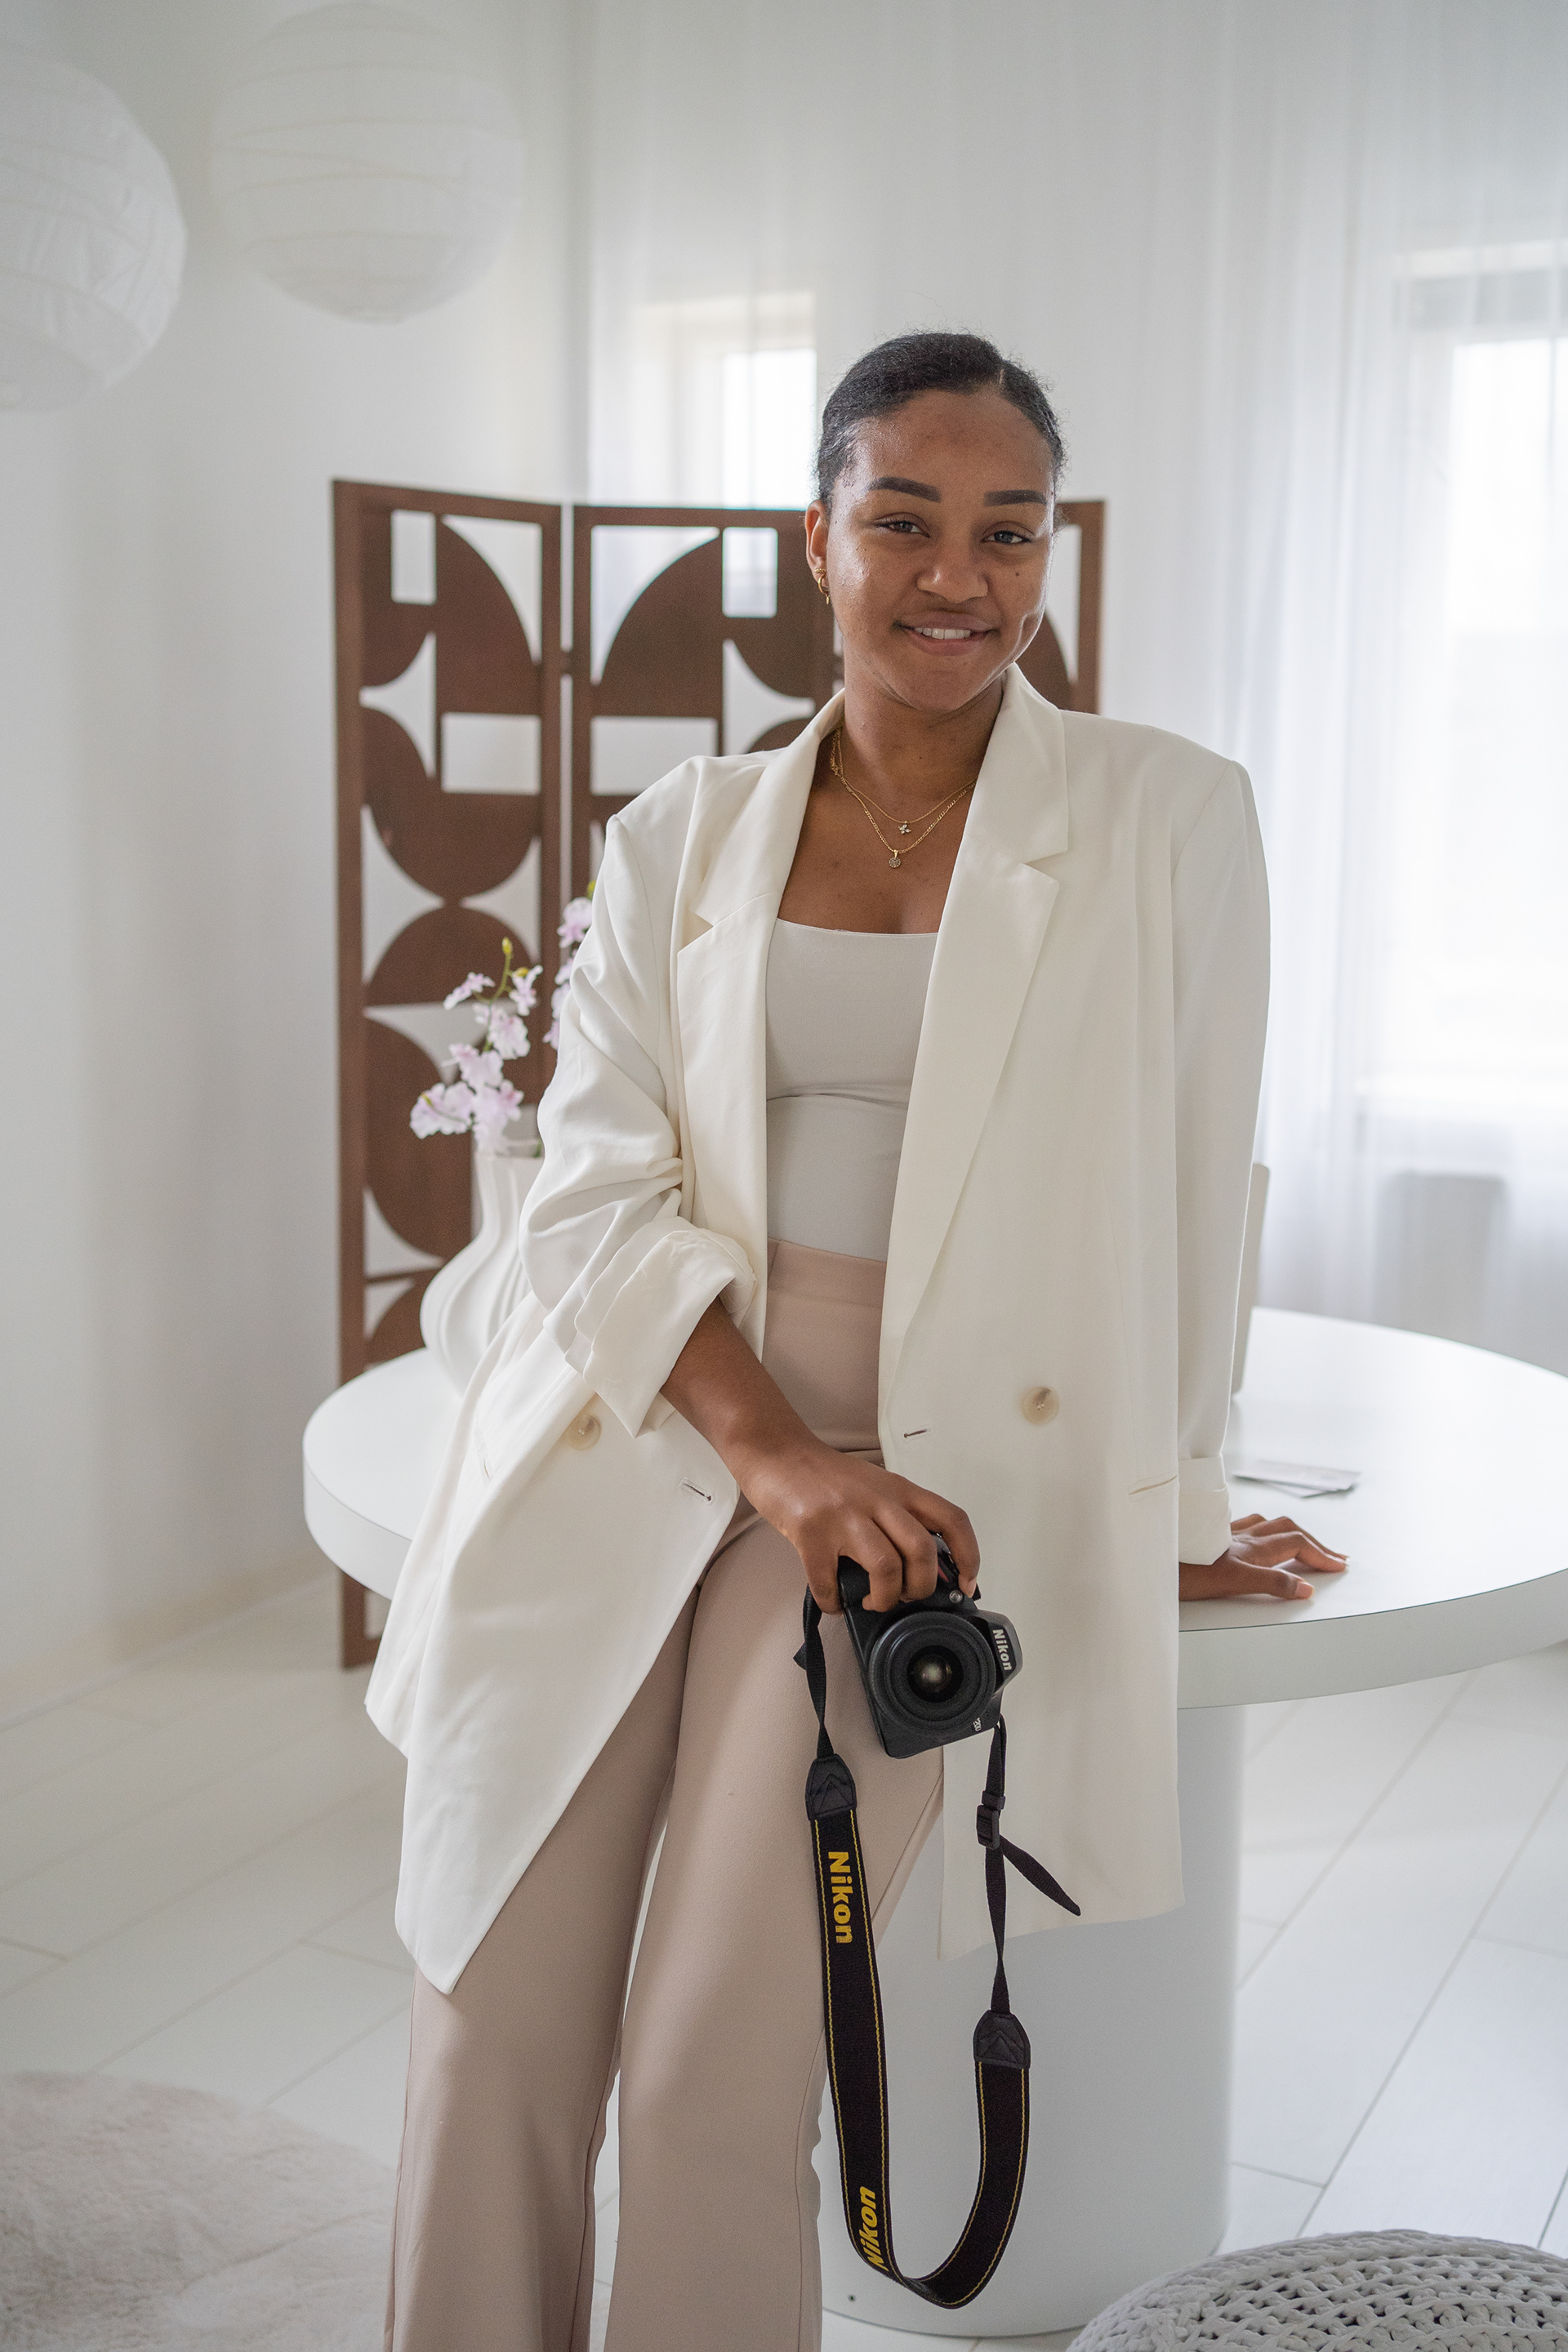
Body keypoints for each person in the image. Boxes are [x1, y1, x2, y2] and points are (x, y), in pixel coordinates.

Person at [368, 329, 1344, 2352]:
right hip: (657, 1421)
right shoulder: (685, 830)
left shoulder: (1167, 817)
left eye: (1010, 530)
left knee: (712, 2080)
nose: (957, 577)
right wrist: (777, 1456)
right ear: (816, 542)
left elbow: (1197, 1191)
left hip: (923, 1501)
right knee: (485, 2028)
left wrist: (1165, 1503)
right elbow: (589, 1193)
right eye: (903, 520)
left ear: (1052, 553)